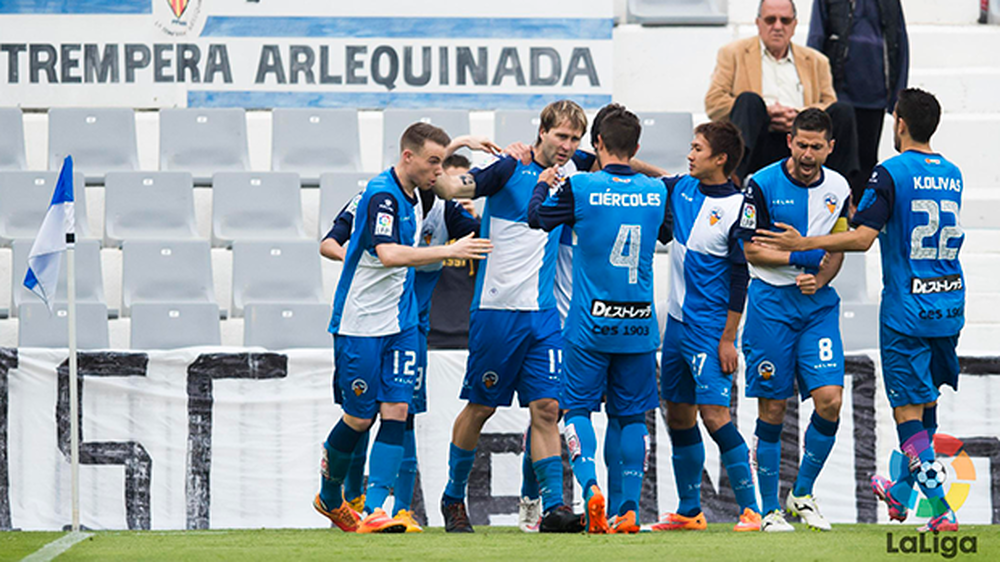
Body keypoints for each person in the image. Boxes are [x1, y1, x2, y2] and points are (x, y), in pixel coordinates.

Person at [753, 89, 964, 532]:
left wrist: (804, 246)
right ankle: (900, 491)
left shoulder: (887, 173)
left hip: (909, 307)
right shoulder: (953, 173)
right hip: (950, 301)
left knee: (909, 412)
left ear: (899, 124)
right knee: (926, 404)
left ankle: (941, 509)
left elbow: (863, 237)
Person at [313, 122, 492, 534]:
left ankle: (375, 509)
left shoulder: (422, 194)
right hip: (361, 320)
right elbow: (389, 253)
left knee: (397, 409)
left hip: (404, 320)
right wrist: (449, 251)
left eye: (443, 163)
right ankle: (330, 493)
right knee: (359, 418)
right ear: (407, 157)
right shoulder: (380, 195)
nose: (440, 172)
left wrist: (463, 144)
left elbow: (444, 178)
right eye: (434, 163)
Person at [431, 100, 591, 534]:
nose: (568, 146)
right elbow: (448, 188)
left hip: (542, 316)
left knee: (547, 408)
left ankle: (554, 507)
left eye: (576, 139)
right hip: (496, 310)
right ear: (542, 132)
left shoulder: (577, 172)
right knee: (481, 407)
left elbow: (623, 158)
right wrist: (461, 144)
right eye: (561, 136)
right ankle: (452, 497)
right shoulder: (506, 169)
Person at [526, 105, 667, 534]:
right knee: (631, 417)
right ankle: (629, 510)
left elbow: (537, 218)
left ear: (597, 144)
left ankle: (589, 488)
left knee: (579, 411)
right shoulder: (658, 192)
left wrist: (540, 184)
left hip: (589, 325)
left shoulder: (582, 185)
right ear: (637, 148)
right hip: (639, 325)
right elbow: (668, 232)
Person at [641, 122, 763, 533]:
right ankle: (690, 510)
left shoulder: (739, 207)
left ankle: (751, 510)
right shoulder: (682, 188)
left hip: (711, 329)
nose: (689, 154)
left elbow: (739, 278)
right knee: (678, 415)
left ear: (720, 159)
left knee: (714, 415)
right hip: (675, 325)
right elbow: (649, 171)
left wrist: (729, 339)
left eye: (697, 148)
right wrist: (612, 160)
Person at [734, 108, 850, 532]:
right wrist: (801, 255)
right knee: (773, 406)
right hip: (770, 304)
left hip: (816, 306)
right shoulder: (760, 184)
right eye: (801, 144)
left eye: (816, 146)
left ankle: (801, 493)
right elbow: (751, 251)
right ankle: (768, 510)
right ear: (789, 142)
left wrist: (820, 276)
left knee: (831, 400)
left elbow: (837, 244)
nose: (807, 153)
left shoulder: (838, 186)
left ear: (829, 147)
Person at [705, 0, 859, 187]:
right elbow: (714, 103)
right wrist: (766, 112)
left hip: (801, 143)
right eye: (771, 20)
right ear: (758, 23)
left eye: (785, 21)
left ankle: (842, 191)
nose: (778, 27)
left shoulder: (816, 61)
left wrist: (799, 115)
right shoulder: (733, 53)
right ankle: (733, 181)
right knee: (749, 101)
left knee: (843, 111)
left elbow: (829, 103)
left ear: (794, 25)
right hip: (758, 141)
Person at [808, 0, 909, 204]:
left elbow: (900, 42)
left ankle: (860, 223)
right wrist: (814, 90)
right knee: (833, 158)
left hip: (876, 92)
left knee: (867, 161)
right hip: (836, 94)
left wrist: (897, 97)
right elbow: (816, 38)